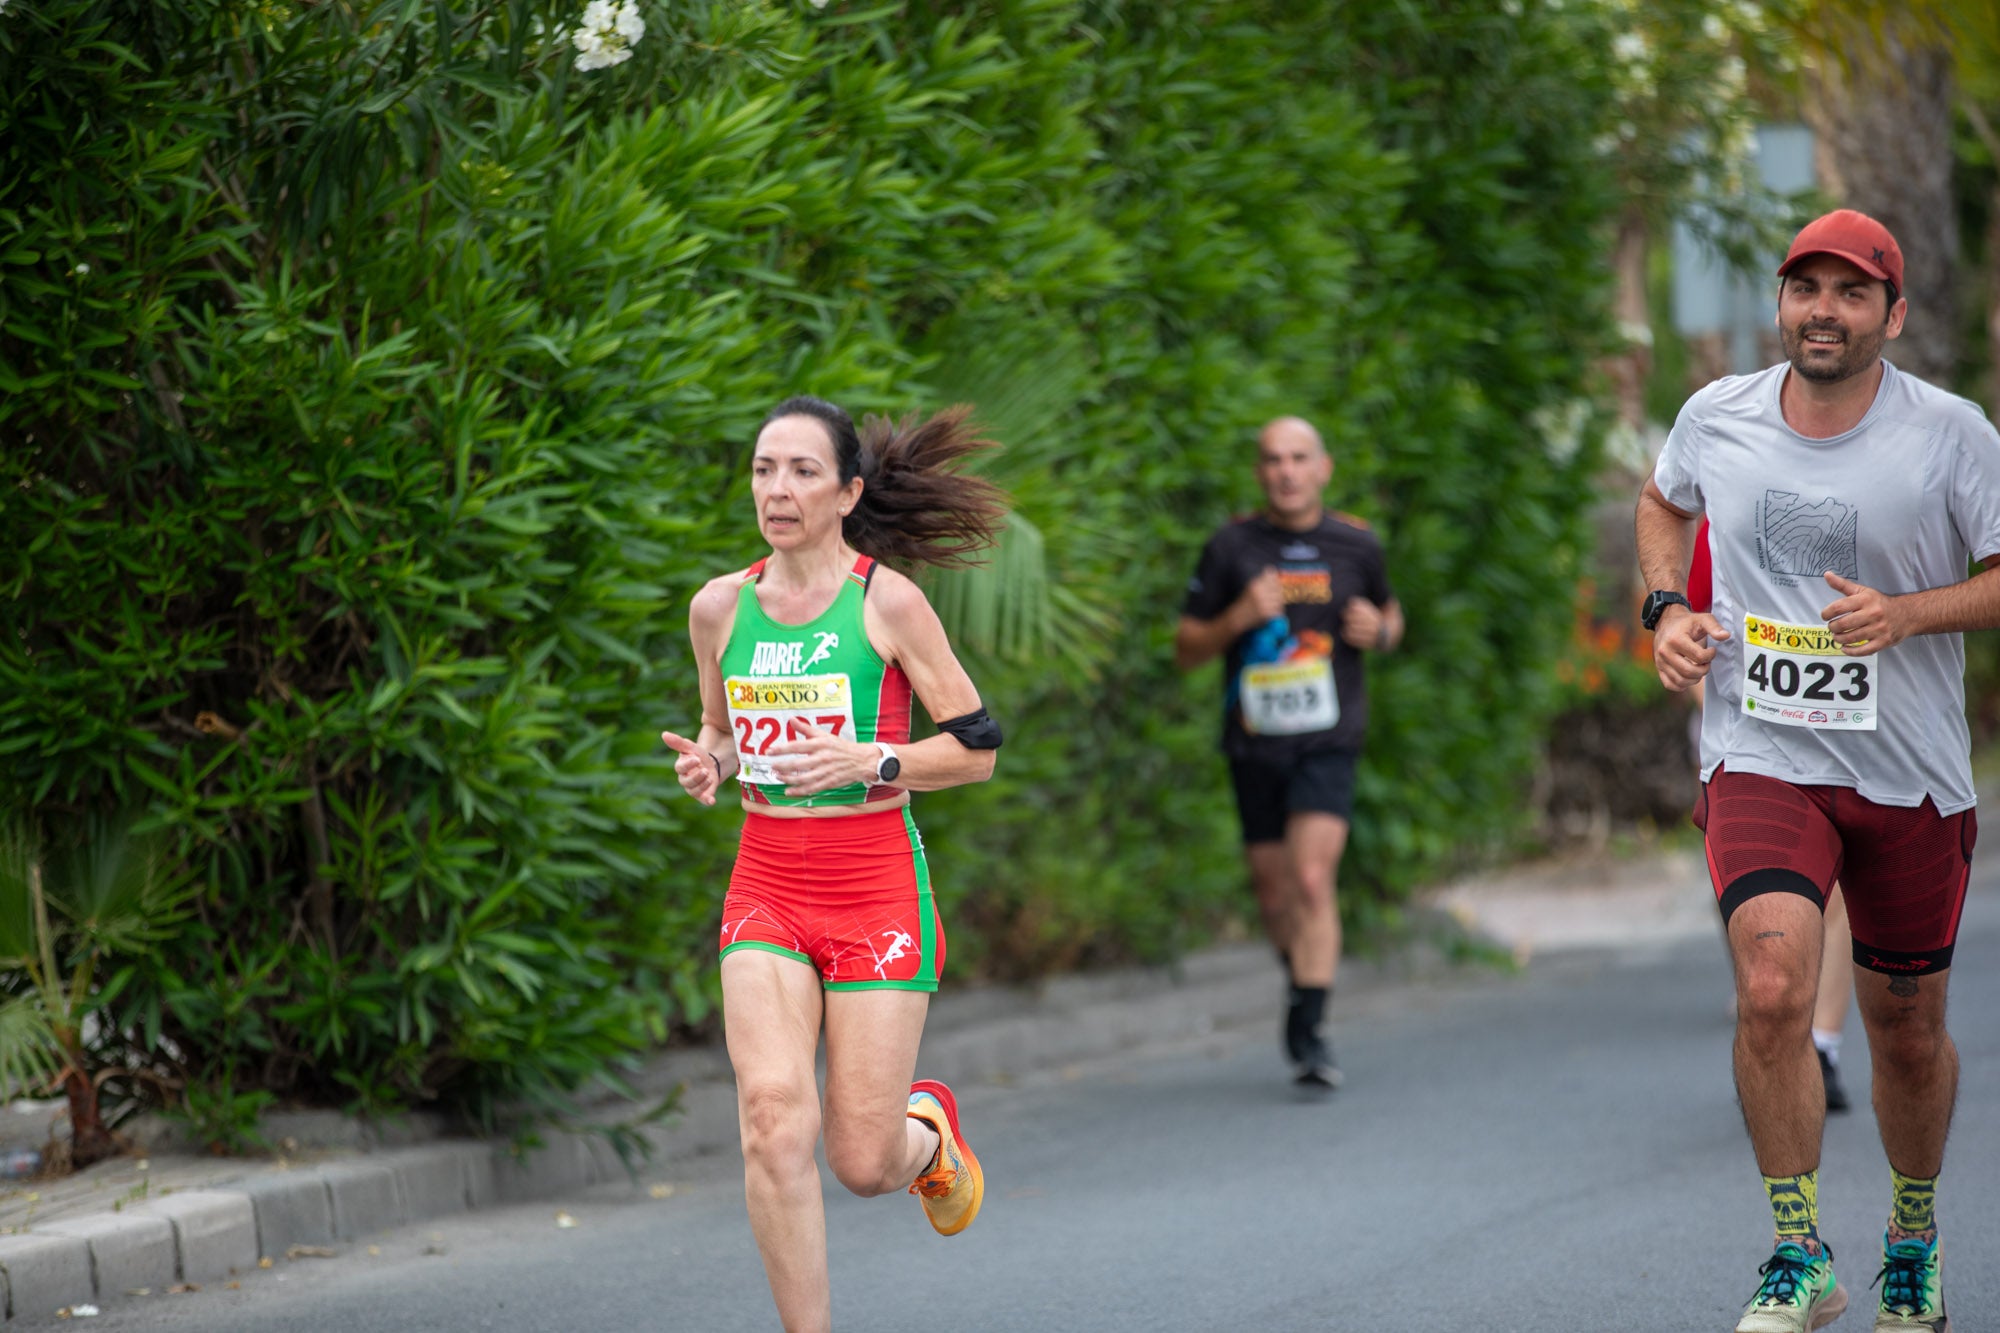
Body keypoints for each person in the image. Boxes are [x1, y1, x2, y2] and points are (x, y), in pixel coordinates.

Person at [1635, 209, 2000, 1333]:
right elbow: (1662, 502)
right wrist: (1666, 610)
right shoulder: (1718, 415)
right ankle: (1798, 1253)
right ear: (1780, 303)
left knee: (1905, 1031)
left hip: (1908, 774)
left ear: (1893, 313)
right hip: (1762, 753)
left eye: (1851, 293)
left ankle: (1911, 1237)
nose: (1824, 312)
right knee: (1770, 987)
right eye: (1806, 289)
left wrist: (1907, 613)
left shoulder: (1951, 434)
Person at [661, 396, 1008, 1333]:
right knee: (774, 1119)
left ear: (848, 493)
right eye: (764, 468)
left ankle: (926, 1137)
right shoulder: (718, 607)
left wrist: (873, 759)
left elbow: (976, 750)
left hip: (875, 889)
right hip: (767, 884)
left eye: (803, 471)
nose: (778, 489)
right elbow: (722, 729)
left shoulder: (885, 602)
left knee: (861, 1160)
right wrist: (710, 763)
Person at [1174, 416, 1403, 1091]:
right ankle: (1303, 976)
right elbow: (1187, 648)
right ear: (1260, 472)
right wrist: (1237, 618)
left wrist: (1379, 631)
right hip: (1254, 742)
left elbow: (1391, 614)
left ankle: (1310, 1027)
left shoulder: (1356, 543)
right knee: (1274, 893)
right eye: (1274, 459)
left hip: (1330, 740)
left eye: (1299, 458)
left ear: (1323, 468)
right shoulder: (1230, 546)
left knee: (1310, 878)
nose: (1287, 471)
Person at [1690, 518, 1856, 1115]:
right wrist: (1719, 696)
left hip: (1849, 731)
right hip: (1748, 737)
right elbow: (1690, 620)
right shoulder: (1726, 510)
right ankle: (1772, 997)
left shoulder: (1860, 503)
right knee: (1750, 884)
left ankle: (1822, 1045)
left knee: (1836, 892)